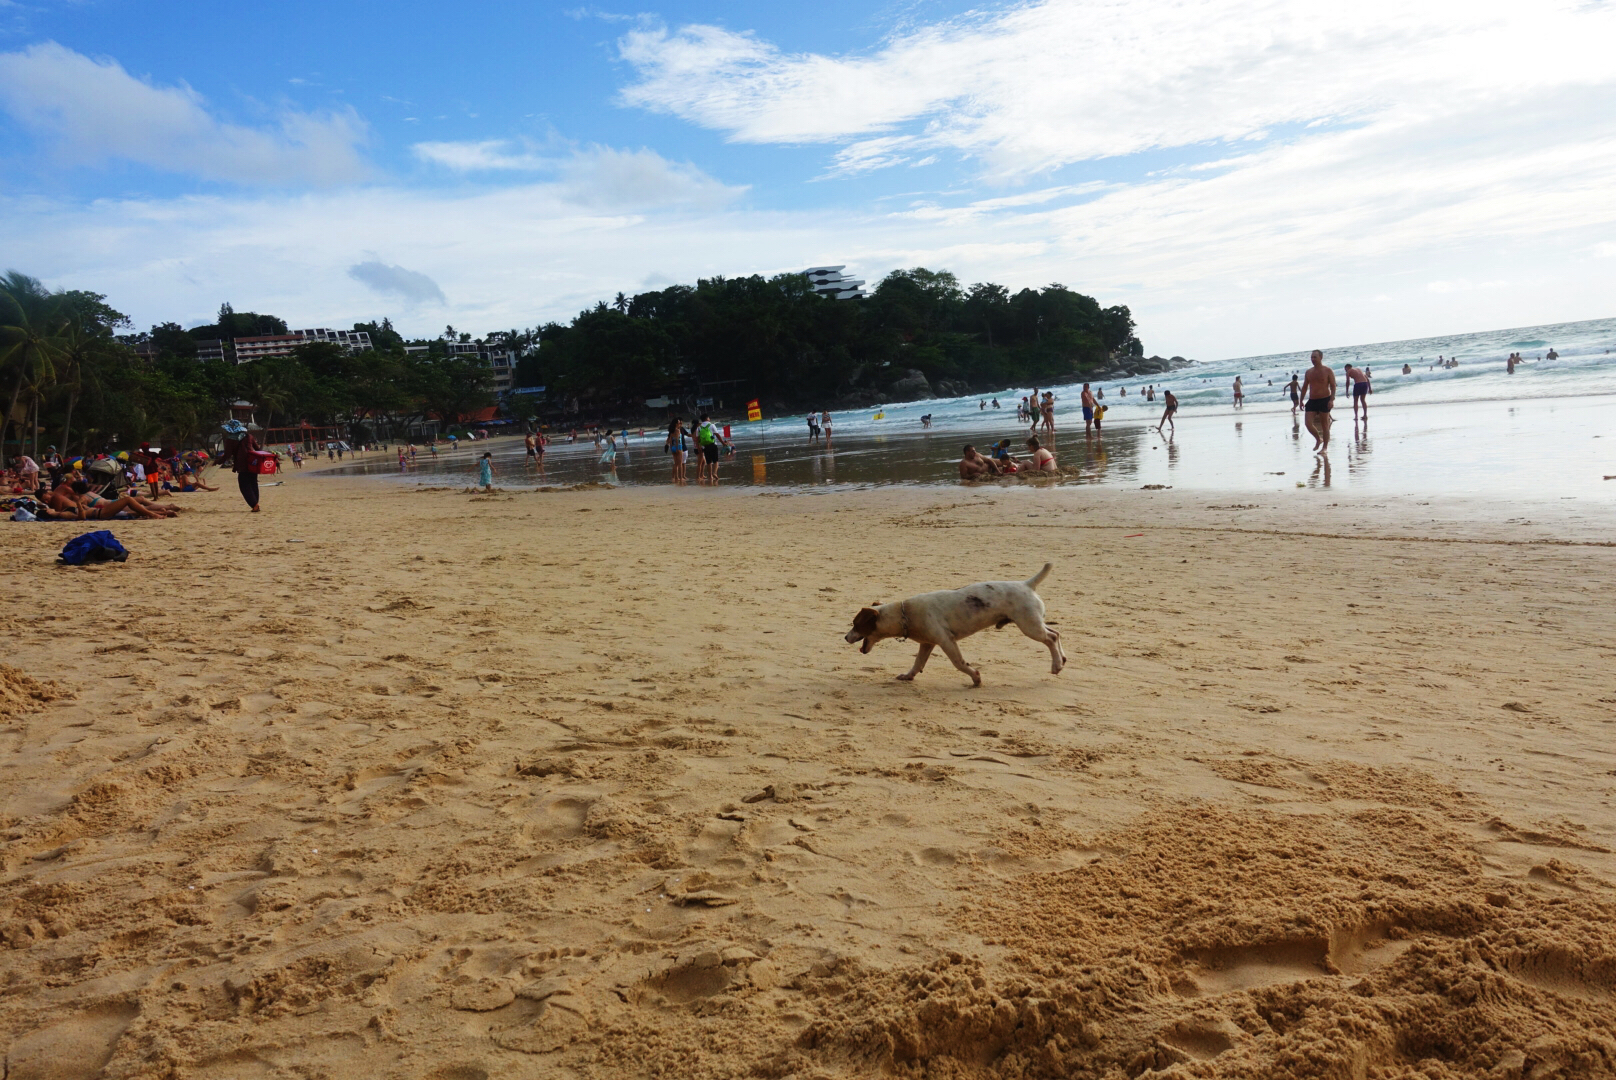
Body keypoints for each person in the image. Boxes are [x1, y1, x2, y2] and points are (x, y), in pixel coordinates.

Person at [220, 420, 265, 511]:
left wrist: (217, 461)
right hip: (253, 463)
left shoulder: (230, 439)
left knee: (244, 485)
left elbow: (227, 455)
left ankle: (255, 505)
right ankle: (255, 503)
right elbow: (258, 449)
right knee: (253, 483)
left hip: (242, 465)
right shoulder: (249, 436)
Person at [1300, 349, 1336, 451]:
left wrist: (1331, 400)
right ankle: (1318, 439)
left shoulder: (1328, 370)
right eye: (1311, 357)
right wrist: (1301, 400)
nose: (1312, 359)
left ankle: (1324, 447)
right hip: (1312, 401)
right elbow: (1304, 387)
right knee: (1308, 423)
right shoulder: (1309, 372)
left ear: (1321, 357)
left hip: (1325, 399)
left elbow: (1333, 386)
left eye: (1315, 357)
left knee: (1325, 425)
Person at [694, 413, 725, 481]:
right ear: (707, 418)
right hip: (713, 444)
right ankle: (714, 473)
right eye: (708, 418)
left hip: (705, 446)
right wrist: (723, 443)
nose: (709, 419)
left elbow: (697, 439)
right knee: (716, 461)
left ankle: (710, 476)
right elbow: (717, 435)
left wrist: (698, 447)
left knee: (708, 462)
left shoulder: (699, 428)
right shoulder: (711, 425)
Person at [665, 418, 689, 483]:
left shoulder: (671, 431)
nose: (679, 424)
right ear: (676, 424)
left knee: (675, 463)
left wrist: (671, 447)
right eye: (678, 423)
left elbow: (669, 440)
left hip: (672, 447)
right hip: (678, 447)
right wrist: (678, 448)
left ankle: (676, 477)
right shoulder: (677, 430)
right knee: (680, 463)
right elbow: (677, 440)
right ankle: (681, 478)